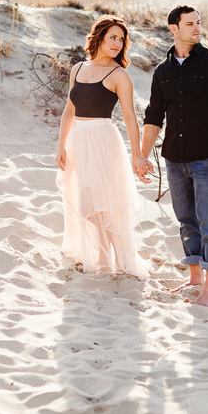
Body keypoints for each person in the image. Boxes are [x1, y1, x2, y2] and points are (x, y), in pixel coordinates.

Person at [139, 5, 208, 307]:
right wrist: (143, 155)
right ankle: (195, 277)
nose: (197, 28)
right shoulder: (163, 71)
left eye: (199, 23)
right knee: (186, 221)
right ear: (174, 29)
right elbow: (154, 117)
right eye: (190, 24)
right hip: (174, 158)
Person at [56, 15, 152, 279]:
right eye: (113, 37)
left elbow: (131, 117)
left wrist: (137, 153)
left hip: (103, 140)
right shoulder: (78, 69)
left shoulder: (119, 75)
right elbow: (69, 110)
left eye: (121, 40)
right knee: (86, 201)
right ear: (98, 38)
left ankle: (110, 257)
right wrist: (61, 145)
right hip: (79, 139)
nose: (118, 44)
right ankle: (103, 255)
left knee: (100, 202)